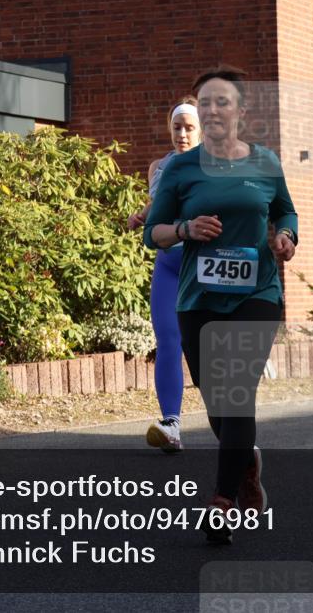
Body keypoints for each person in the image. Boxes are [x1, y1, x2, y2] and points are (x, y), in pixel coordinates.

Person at [143, 65, 297, 544]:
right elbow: (155, 230)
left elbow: (285, 210)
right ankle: (246, 464)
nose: (211, 110)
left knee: (236, 391)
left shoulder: (265, 163)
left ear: (241, 112)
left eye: (221, 102)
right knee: (217, 405)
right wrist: (185, 230)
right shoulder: (181, 169)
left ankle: (223, 501)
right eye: (204, 102)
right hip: (199, 297)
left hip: (257, 294)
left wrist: (287, 236)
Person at [128, 97, 202, 453]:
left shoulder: (212, 168)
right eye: (177, 127)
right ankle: (171, 423)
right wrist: (141, 216)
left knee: (203, 345)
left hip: (199, 266)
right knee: (168, 341)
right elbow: (159, 204)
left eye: (189, 128)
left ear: (201, 131)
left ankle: (236, 430)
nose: (183, 134)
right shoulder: (158, 167)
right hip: (167, 264)